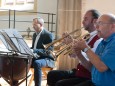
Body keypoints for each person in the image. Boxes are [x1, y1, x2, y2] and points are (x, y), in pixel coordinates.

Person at [47, 9, 100, 86]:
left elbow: (89, 59)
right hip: (79, 71)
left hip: (88, 75)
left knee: (60, 84)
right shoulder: (86, 36)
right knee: (52, 74)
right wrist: (69, 45)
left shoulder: (99, 38)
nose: (82, 21)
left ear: (94, 21)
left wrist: (72, 44)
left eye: (86, 19)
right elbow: (73, 55)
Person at [73, 13, 115, 86]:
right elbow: (91, 68)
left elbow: (102, 67)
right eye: (97, 23)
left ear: (113, 26)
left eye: (100, 23)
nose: (96, 26)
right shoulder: (102, 42)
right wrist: (79, 54)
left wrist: (86, 48)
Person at [31, 17, 55, 86]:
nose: (33, 26)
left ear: (41, 25)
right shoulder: (34, 34)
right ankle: (15, 80)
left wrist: (34, 50)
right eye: (33, 25)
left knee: (37, 63)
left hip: (47, 58)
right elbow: (33, 48)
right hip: (36, 56)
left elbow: (48, 51)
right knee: (22, 59)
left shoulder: (48, 35)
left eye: (35, 25)